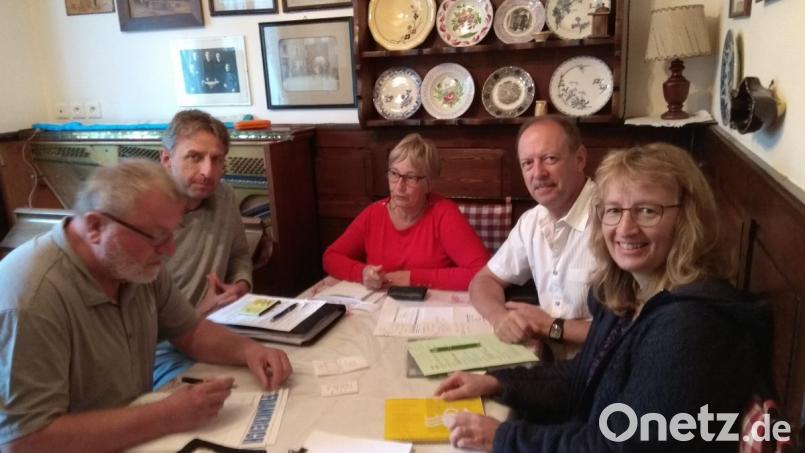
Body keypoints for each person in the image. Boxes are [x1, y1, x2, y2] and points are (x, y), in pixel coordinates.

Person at [434, 143, 768, 452]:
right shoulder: (630, 292)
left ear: (687, 219)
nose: (625, 228)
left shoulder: (693, 325)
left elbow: (622, 447)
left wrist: (504, 437)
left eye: (648, 211)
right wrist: (496, 382)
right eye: (613, 211)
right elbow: (582, 376)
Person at [0, 160, 292, 452]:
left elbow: (189, 330)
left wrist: (250, 350)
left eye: (171, 234)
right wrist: (166, 415)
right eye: (156, 237)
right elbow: (25, 441)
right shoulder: (30, 298)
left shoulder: (131, 264)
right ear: (95, 227)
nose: (168, 251)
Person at [470, 116, 597, 358]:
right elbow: (483, 281)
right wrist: (500, 318)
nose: (538, 173)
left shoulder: (615, 219)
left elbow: (637, 330)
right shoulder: (532, 221)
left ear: (580, 159)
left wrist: (552, 327)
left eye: (550, 159)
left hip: (602, 373)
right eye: (528, 163)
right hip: (550, 366)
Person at [152, 109, 254, 389]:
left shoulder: (224, 196)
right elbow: (132, 333)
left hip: (220, 330)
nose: (208, 172)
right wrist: (195, 315)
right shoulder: (142, 216)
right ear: (166, 159)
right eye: (194, 157)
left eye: (217, 159)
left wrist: (241, 285)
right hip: (159, 353)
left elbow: (239, 255)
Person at [322, 133, 489, 291]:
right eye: (394, 174)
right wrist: (363, 273)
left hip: (430, 309)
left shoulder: (444, 213)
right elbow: (331, 257)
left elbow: (482, 272)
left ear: (429, 184)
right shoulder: (373, 214)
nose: (399, 186)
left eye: (411, 177)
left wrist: (411, 278)